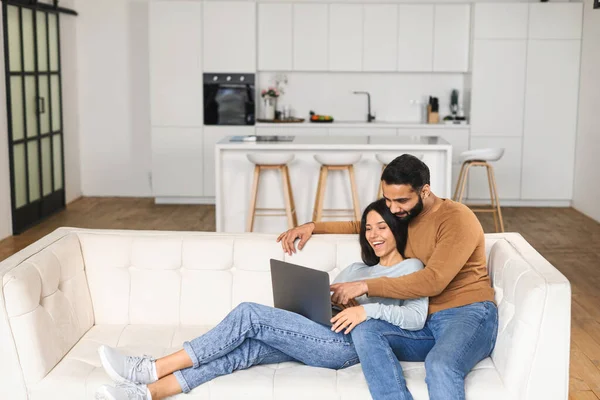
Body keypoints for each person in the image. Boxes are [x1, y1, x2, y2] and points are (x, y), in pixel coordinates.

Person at [95, 199, 428, 400]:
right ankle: (146, 394)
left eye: (382, 227)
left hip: (348, 347)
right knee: (245, 349)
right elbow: (332, 304)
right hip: (320, 332)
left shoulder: (411, 267)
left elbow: (416, 318)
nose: (374, 235)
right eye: (368, 229)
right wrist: (331, 299)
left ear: (397, 230)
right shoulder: (357, 266)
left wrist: (365, 314)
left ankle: (151, 368)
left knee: (250, 315)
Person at [276, 154, 499, 400]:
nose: (393, 208)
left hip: (467, 313)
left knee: (440, 365)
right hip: (423, 321)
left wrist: (364, 286)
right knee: (366, 328)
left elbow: (434, 281)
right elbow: (359, 225)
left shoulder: (456, 218)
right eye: (387, 199)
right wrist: (312, 226)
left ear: (425, 191)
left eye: (401, 200)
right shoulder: (404, 215)